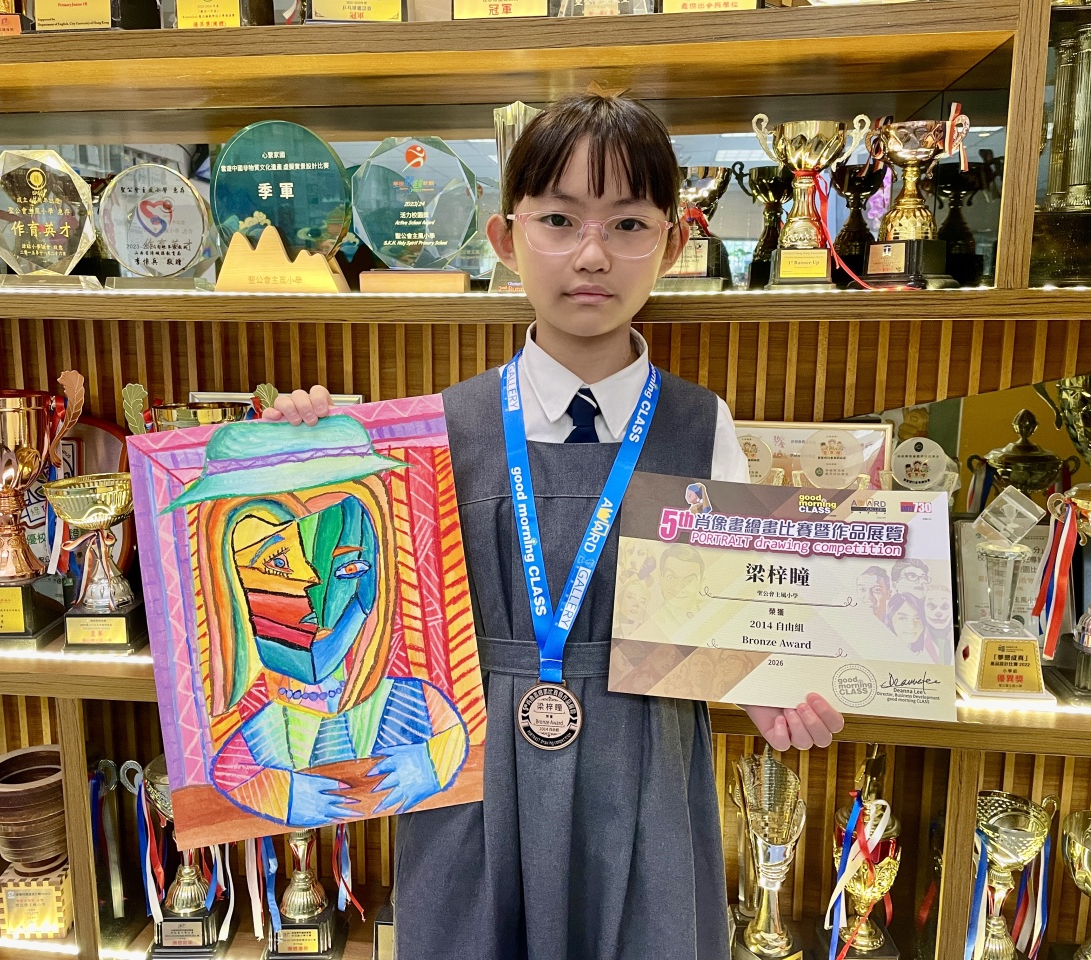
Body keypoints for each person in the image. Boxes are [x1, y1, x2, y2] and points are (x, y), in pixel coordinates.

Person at [264, 93, 844, 960]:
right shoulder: (437, 430)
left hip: (644, 774)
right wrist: (299, 461)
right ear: (506, 239)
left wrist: (768, 684)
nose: (592, 254)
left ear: (673, 245)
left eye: (629, 224)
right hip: (471, 776)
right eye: (560, 219)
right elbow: (356, 607)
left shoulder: (702, 426)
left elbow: (735, 616)